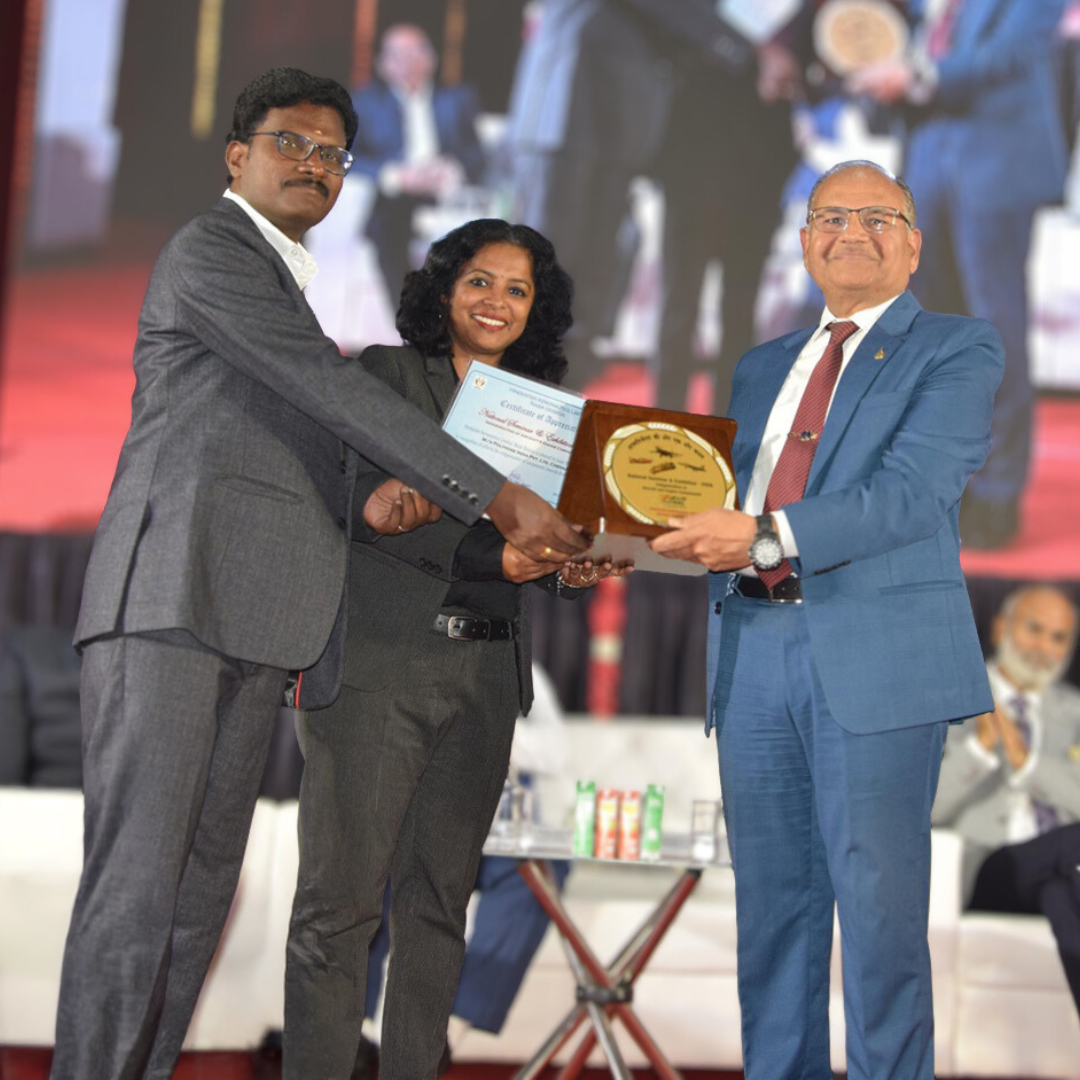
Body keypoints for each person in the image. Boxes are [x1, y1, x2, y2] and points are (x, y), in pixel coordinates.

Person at [50, 69, 586, 1080]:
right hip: (173, 600)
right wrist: (500, 497)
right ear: (236, 155)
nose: (313, 165)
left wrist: (378, 504)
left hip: (260, 622)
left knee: (199, 895)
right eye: (290, 143)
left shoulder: (286, 279)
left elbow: (307, 443)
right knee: (139, 891)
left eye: (332, 153)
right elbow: (326, 389)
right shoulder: (214, 251)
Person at [651, 160, 1003, 1080]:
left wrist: (763, 535)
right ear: (805, 242)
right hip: (751, 651)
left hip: (876, 660)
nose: (854, 232)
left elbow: (912, 496)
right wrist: (629, 536)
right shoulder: (760, 365)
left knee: (880, 928)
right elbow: (720, 506)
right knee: (773, 921)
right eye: (832, 217)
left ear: (913, 245)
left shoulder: (957, 347)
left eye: (878, 218)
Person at [282, 218, 625, 1080]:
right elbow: (356, 504)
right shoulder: (389, 375)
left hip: (484, 679)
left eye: (517, 289)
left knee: (439, 910)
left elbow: (542, 544)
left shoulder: (545, 411)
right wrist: (492, 555)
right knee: (339, 910)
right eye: (479, 281)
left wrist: (570, 567)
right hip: (381, 670)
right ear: (443, 290)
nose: (496, 301)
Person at [848, 0, 1069, 548]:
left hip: (995, 163)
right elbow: (910, 43)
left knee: (991, 332)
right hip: (926, 159)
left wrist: (917, 75)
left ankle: (996, 494)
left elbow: (1010, 53)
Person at [354, 663, 573, 1078]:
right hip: (413, 824)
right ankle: (356, 1041)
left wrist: (478, 725)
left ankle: (445, 1036)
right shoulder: (406, 655)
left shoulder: (521, 667)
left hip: (497, 834)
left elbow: (556, 752)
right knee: (369, 874)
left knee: (539, 878)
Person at [933, 584, 1080, 1017]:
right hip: (989, 868)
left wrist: (1025, 761)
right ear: (1001, 628)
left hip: (1060, 872)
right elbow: (924, 807)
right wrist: (979, 752)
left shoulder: (1074, 713)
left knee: (1059, 893)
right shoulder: (952, 697)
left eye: (1058, 638)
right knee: (1068, 850)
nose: (1044, 648)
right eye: (1034, 629)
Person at [350, 23, 486, 299]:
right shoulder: (364, 104)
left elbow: (476, 154)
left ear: (432, 59)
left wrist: (453, 170)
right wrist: (395, 175)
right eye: (398, 55)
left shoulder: (458, 99)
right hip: (396, 197)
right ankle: (409, 311)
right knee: (388, 230)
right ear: (382, 65)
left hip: (447, 193)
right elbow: (348, 157)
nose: (409, 62)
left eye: (417, 52)